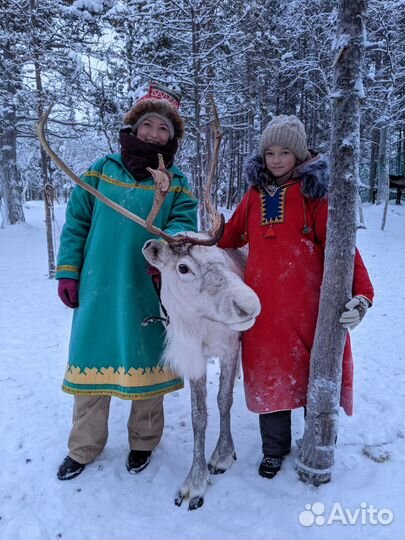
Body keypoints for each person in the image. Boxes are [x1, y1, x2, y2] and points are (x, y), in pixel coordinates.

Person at [217, 115, 374, 479]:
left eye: (284, 152)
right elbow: (231, 237)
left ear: (299, 154)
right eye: (269, 152)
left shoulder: (316, 195)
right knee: (270, 377)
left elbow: (342, 249)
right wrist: (204, 237)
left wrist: (362, 295)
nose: (275, 159)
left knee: (313, 376)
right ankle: (274, 449)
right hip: (263, 311)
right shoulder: (255, 195)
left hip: (311, 311)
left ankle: (317, 441)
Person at [55, 84, 198, 480]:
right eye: (148, 124)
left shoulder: (177, 182)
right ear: (133, 127)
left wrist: (167, 257)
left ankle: (144, 441)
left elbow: (184, 225)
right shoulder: (101, 170)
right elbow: (77, 223)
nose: (155, 133)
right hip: (98, 285)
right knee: (90, 363)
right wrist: (69, 271)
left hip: (149, 287)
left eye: (164, 129)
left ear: (173, 137)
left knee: (147, 360)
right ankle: (83, 446)